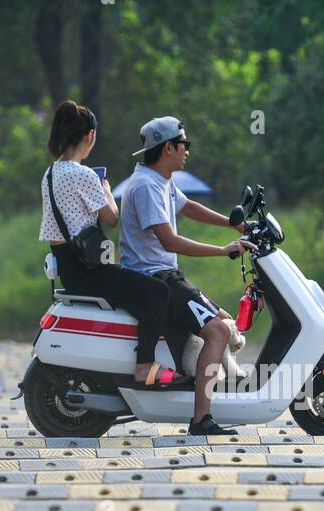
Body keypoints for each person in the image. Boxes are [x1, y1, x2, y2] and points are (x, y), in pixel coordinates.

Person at [118, 116, 255, 436]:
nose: (187, 152)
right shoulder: (147, 186)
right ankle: (201, 419)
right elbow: (170, 241)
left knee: (223, 319)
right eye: (184, 145)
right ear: (168, 148)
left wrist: (234, 224)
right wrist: (222, 251)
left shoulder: (159, 179)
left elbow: (188, 207)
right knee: (219, 331)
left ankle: (219, 383)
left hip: (164, 274)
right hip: (157, 278)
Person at [39, 100, 183, 388]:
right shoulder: (85, 174)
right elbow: (112, 218)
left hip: (68, 268)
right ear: (89, 136)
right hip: (90, 271)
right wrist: (106, 191)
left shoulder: (50, 174)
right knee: (158, 293)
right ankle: (144, 366)